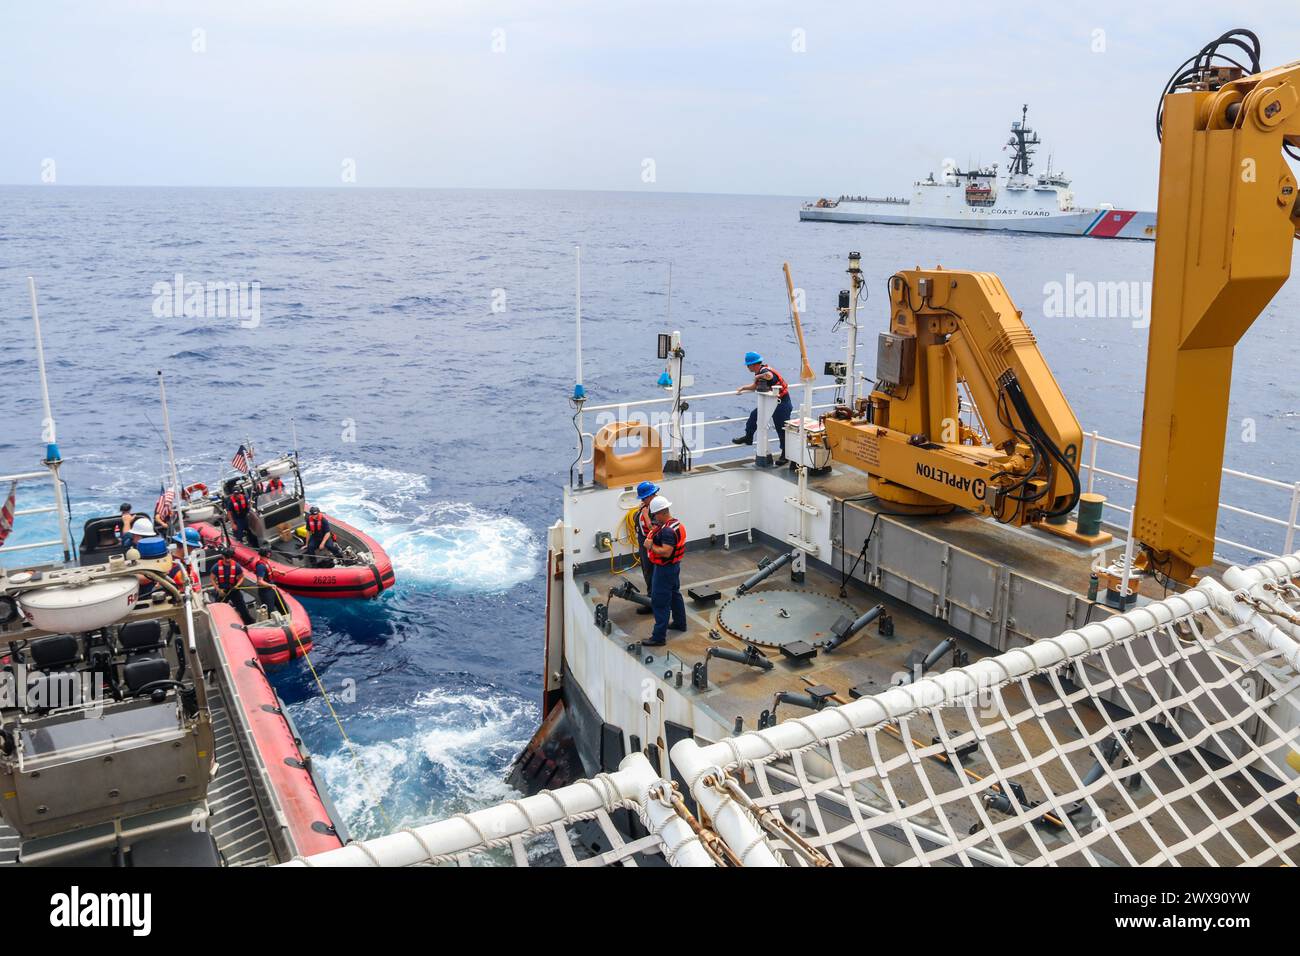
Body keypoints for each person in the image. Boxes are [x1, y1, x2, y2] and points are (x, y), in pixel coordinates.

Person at [732, 351, 793, 463]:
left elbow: (769, 376)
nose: (747, 367)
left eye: (748, 365)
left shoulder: (765, 371)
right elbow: (755, 386)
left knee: (781, 429)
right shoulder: (760, 371)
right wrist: (743, 388)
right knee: (754, 416)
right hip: (770, 402)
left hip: (782, 403)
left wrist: (759, 375)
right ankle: (748, 437)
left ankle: (785, 455)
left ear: (753, 364)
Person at [644, 496, 687, 646]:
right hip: (674, 566)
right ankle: (680, 623)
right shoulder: (676, 524)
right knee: (675, 594)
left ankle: (658, 637)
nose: (654, 517)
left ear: (662, 512)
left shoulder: (667, 531)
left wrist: (650, 546)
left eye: (655, 514)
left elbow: (666, 552)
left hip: (665, 569)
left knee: (660, 601)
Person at [632, 480, 659, 615]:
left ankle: (654, 603)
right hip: (644, 543)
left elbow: (653, 529)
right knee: (647, 571)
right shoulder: (646, 507)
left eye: (644, 497)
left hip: (651, 545)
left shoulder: (657, 509)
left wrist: (645, 515)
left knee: (652, 572)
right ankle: (651, 598)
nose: (642, 500)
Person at [211, 546, 254, 625]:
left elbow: (241, 577)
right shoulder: (216, 567)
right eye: (226, 557)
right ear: (222, 556)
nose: (228, 559)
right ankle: (220, 625)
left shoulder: (236, 566)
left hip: (234, 590)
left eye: (229, 557)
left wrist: (237, 585)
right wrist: (218, 590)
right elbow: (212, 579)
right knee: (218, 609)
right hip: (222, 591)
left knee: (243, 609)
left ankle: (249, 623)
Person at [252, 546, 281, 614]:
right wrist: (270, 585)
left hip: (271, 586)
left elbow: (269, 569)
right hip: (265, 590)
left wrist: (279, 571)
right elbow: (260, 581)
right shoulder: (260, 566)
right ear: (267, 554)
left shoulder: (266, 562)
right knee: (270, 609)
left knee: (280, 603)